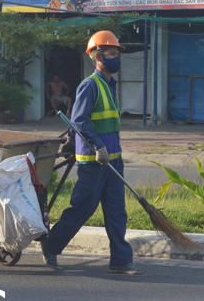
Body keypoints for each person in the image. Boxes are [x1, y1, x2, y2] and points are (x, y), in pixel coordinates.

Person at [40, 31, 141, 275]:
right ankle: (51, 245)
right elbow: (80, 121)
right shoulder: (90, 85)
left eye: (117, 53)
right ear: (97, 56)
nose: (116, 58)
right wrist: (98, 146)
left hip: (113, 161)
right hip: (94, 162)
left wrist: (110, 151)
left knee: (117, 212)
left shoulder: (110, 85)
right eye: (112, 53)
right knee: (83, 208)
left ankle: (120, 260)